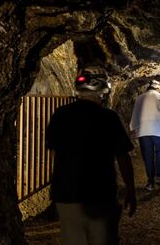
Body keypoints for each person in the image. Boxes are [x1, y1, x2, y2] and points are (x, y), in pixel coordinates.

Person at [46, 66, 136, 245]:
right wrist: (131, 190)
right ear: (103, 90)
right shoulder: (108, 118)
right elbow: (123, 156)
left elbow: (53, 149)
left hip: (66, 194)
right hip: (99, 193)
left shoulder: (60, 115)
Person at [129, 79, 160, 191]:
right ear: (158, 87)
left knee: (148, 157)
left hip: (143, 131)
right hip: (158, 130)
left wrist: (133, 129)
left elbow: (135, 114)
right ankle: (157, 176)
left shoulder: (140, 98)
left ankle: (150, 182)